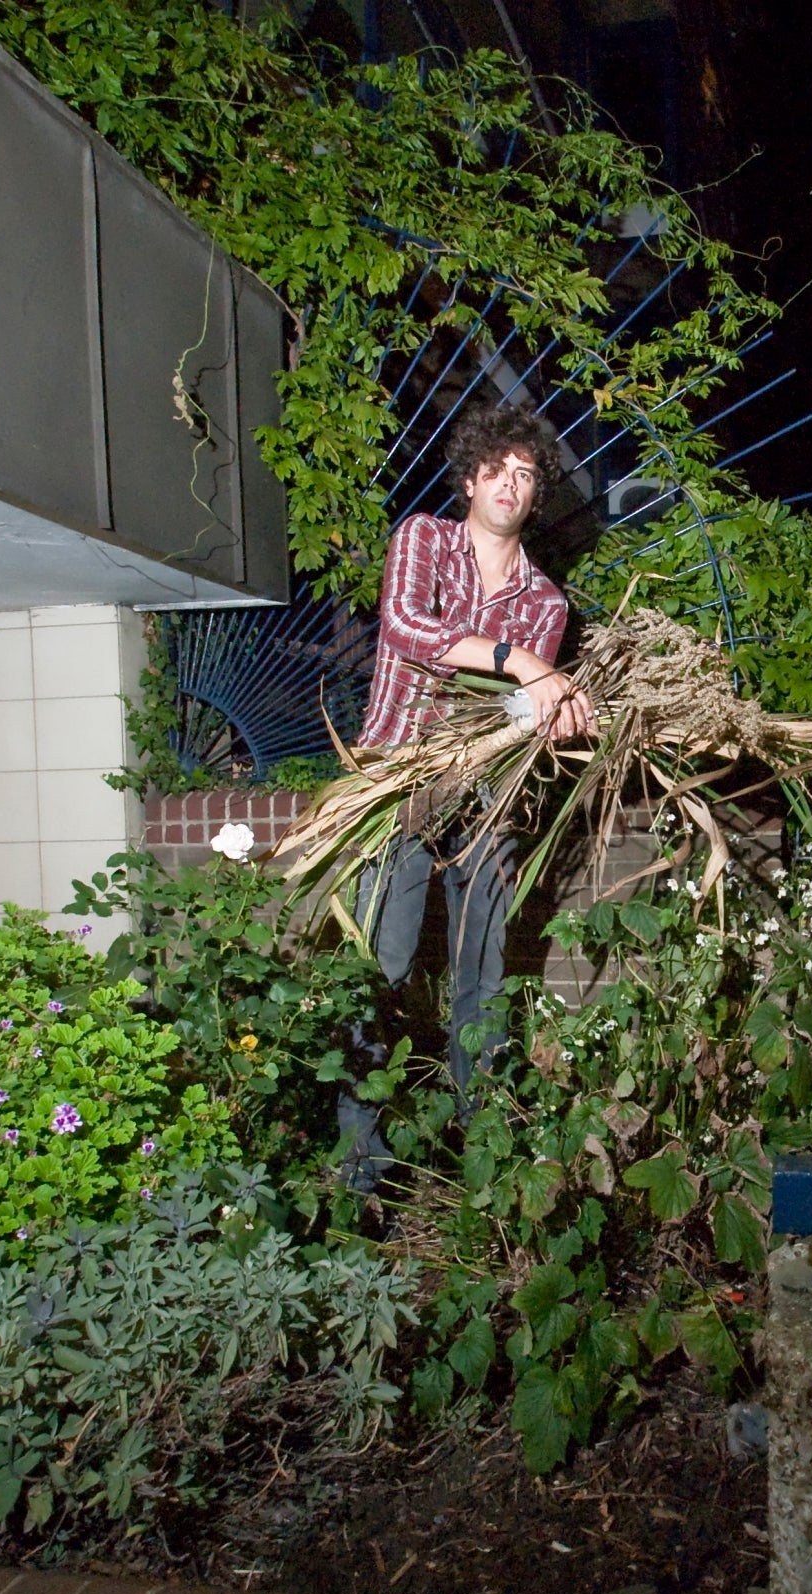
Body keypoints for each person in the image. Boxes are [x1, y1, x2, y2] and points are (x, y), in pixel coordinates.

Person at [334, 404, 596, 1184]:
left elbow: (516, 717)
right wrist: (520, 663)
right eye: (499, 469)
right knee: (381, 967)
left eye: (527, 476)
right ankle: (359, 1173)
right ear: (470, 475)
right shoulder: (423, 540)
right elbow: (408, 626)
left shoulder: (548, 603)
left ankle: (481, 1163)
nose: (511, 486)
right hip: (399, 786)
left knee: (482, 979)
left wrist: (557, 713)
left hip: (486, 801)